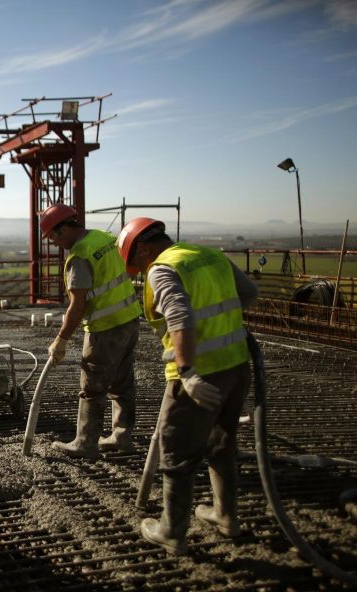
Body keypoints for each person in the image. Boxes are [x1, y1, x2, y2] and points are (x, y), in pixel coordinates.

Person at [118, 217, 258, 555]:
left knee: (177, 449)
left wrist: (188, 371)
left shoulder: (162, 268)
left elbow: (180, 318)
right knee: (221, 442)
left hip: (198, 375)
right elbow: (250, 294)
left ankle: (172, 532)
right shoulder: (210, 254)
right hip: (237, 367)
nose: (138, 270)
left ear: (146, 248)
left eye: (135, 261)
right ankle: (225, 516)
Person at [39, 205, 142, 459]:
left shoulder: (80, 255)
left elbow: (78, 304)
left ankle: (85, 443)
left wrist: (61, 339)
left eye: (53, 237)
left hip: (104, 329)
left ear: (63, 229)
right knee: (122, 383)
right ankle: (122, 436)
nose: (54, 243)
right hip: (129, 320)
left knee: (92, 386)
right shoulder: (104, 238)